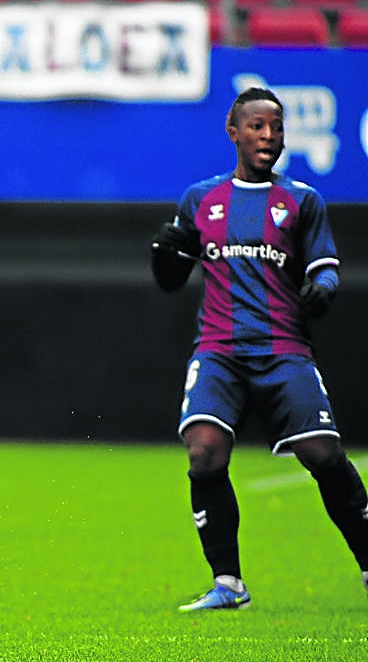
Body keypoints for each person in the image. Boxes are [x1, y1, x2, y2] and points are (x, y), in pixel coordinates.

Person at [152, 85, 368, 611]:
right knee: (203, 451)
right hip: (219, 350)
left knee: (324, 454)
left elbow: (325, 268)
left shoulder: (301, 201)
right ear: (234, 133)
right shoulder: (201, 199)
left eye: (276, 126)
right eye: (257, 126)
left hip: (283, 348)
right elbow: (169, 278)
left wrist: (323, 291)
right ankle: (228, 583)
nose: (268, 135)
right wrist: (166, 252)